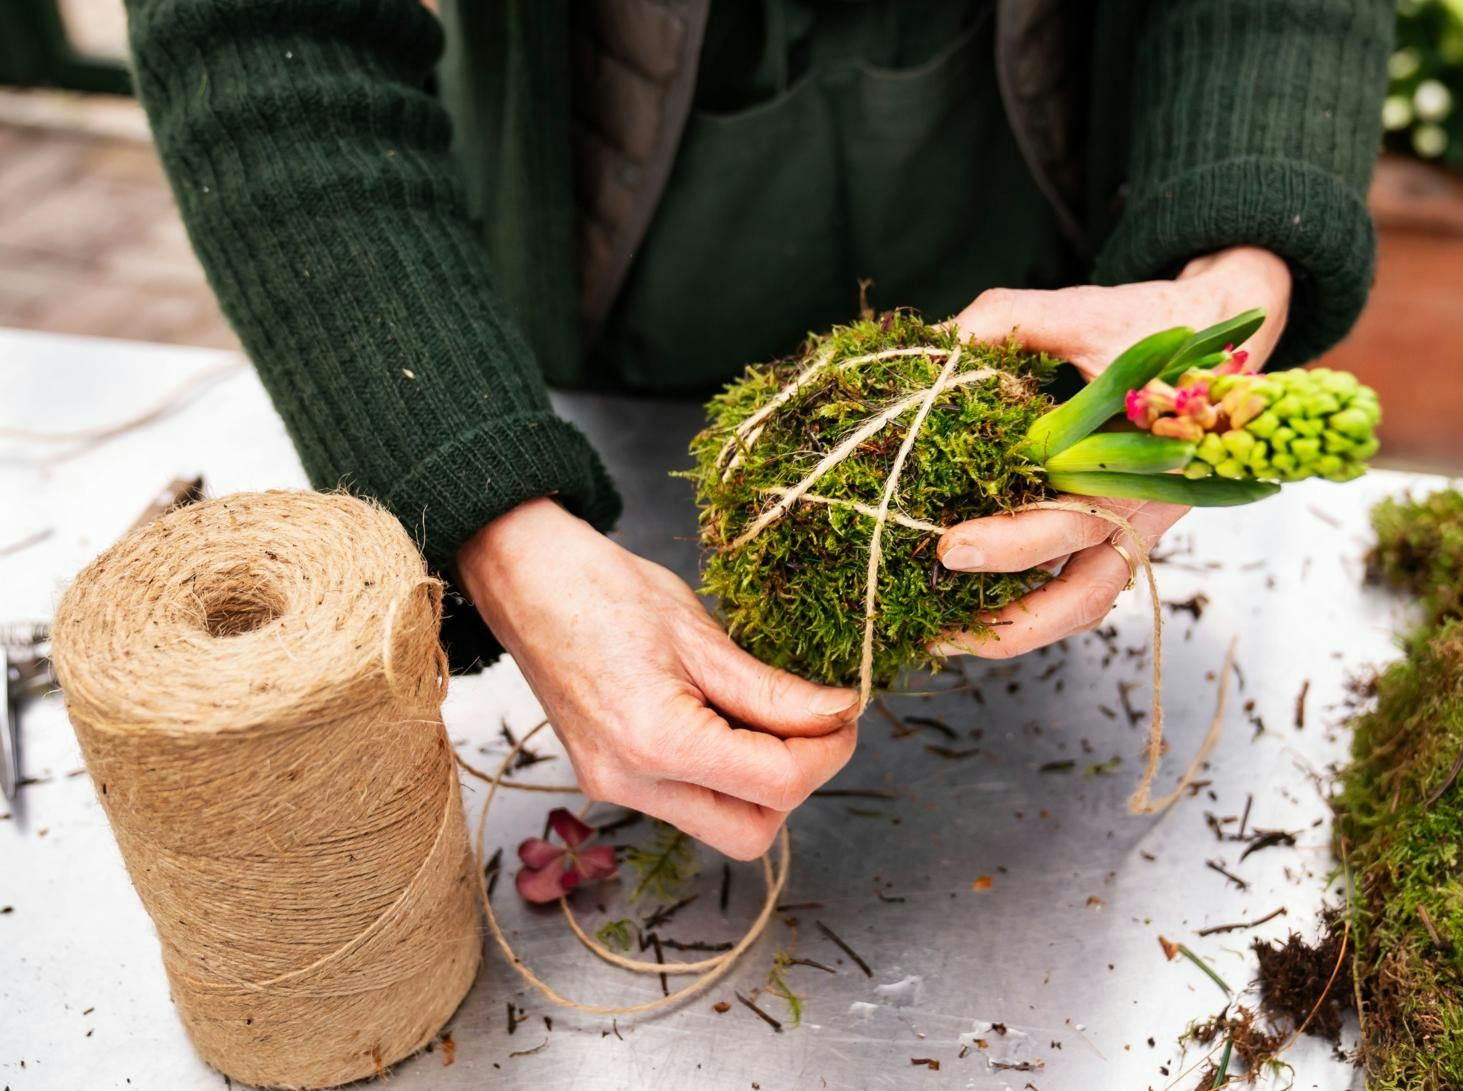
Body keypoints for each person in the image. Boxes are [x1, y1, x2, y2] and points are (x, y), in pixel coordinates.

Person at [126, 0, 1391, 859]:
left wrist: (1220, 285)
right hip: (592, 307)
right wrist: (491, 519)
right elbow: (262, 30)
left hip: (1042, 277)